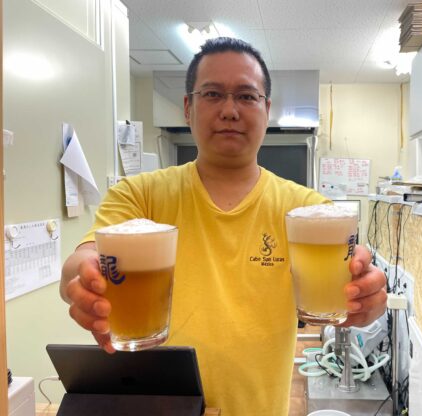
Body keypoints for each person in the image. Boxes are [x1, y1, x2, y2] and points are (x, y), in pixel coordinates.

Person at [60, 37, 387, 416]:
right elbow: (82, 261)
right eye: (213, 94)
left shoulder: (307, 211)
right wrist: (82, 283)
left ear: (267, 109)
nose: (230, 111)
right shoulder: (139, 194)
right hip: (158, 408)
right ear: (188, 107)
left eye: (246, 96)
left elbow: (352, 270)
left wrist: (365, 294)